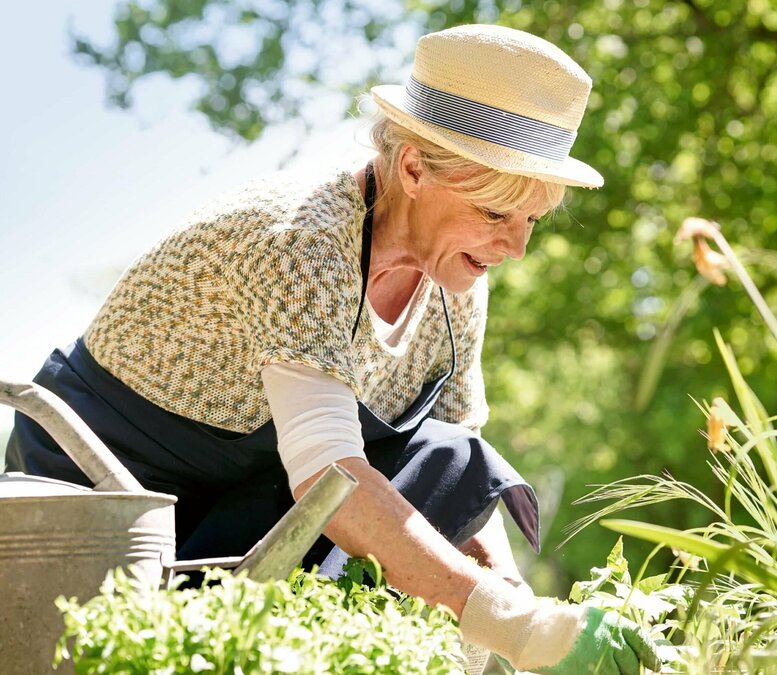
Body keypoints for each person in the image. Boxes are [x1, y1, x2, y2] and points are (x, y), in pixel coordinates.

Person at [6, 24, 660, 675]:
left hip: (252, 490)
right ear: (411, 168)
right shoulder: (298, 243)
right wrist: (518, 625)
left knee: (450, 452)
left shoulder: (454, 280)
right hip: (108, 492)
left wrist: (515, 606)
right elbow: (328, 476)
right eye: (495, 214)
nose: (516, 248)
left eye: (530, 221)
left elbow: (455, 466)